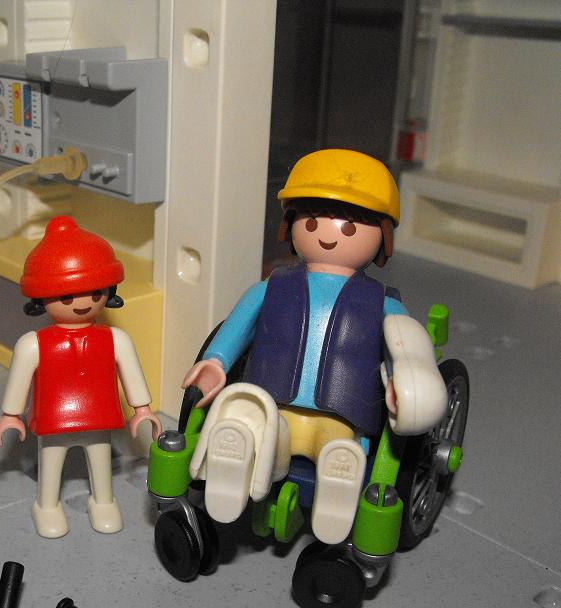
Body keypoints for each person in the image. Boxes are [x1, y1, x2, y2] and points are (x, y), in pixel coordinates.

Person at [183, 149, 446, 544]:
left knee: (337, 448)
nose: (327, 234)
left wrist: (402, 382)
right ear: (290, 226)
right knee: (262, 435)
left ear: (382, 238)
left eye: (350, 228)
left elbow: (405, 347)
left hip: (343, 414)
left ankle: (337, 481)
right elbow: (237, 327)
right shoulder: (270, 287)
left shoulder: (382, 303)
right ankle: (240, 459)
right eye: (310, 221)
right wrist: (216, 362)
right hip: (272, 407)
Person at [0, 216, 163, 538]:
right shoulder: (33, 344)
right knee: (51, 465)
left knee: (101, 463)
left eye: (95, 292)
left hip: (99, 418)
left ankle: (103, 501)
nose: (83, 304)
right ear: (41, 297)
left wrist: (142, 409)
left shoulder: (115, 339)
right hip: (53, 420)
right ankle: (47, 506)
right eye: (68, 297)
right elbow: (19, 380)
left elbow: (130, 374)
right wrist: (10, 415)